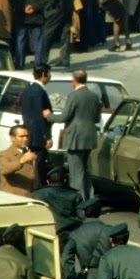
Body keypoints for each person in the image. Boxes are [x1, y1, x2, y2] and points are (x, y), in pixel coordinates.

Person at [48, 69, 101, 199]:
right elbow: (97, 119)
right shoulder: (94, 96)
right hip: (89, 137)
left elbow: (64, 117)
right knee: (84, 170)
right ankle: (90, 197)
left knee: (76, 172)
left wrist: (49, 116)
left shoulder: (74, 95)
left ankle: (80, 200)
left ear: (74, 80)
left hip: (76, 138)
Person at [62, 198, 112, 279]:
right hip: (110, 276)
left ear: (84, 213)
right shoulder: (109, 230)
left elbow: (66, 258)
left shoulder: (76, 233)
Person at [21, 64, 54, 184]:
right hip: (38, 134)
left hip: (30, 131)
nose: (50, 76)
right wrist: (47, 137)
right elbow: (40, 116)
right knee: (39, 164)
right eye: (49, 74)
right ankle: (38, 187)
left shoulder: (28, 89)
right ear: (44, 74)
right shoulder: (39, 91)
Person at [11, 0, 46, 70]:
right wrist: (34, 7)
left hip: (21, 15)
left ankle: (19, 64)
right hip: (37, 15)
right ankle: (38, 64)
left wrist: (22, 8)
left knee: (20, 40)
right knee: (38, 41)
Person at [33, 166, 83, 238]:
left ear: (47, 181)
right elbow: (82, 216)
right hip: (69, 234)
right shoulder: (75, 195)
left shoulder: (36, 194)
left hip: (45, 233)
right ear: (65, 180)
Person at [0, 124, 38, 197]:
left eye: (27, 136)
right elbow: (4, 169)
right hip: (14, 198)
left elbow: (34, 177)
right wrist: (21, 161)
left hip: (31, 197)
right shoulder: (5, 154)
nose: (25, 139)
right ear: (13, 138)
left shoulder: (29, 154)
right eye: (21, 136)